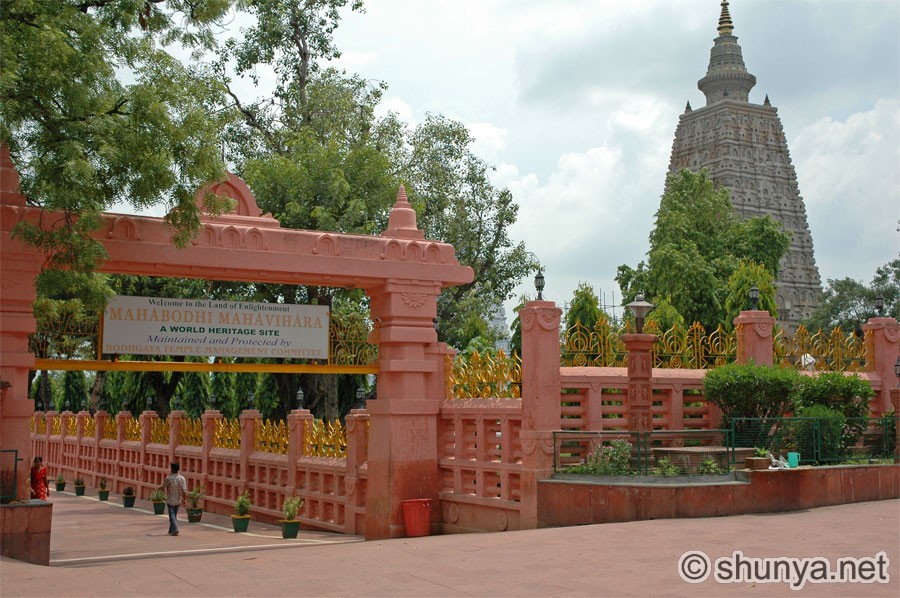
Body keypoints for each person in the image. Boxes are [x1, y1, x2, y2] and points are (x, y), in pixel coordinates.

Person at [160, 462, 187, 536]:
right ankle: (171, 530)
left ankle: (175, 529)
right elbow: (184, 491)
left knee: (172, 515)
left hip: (170, 500)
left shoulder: (169, 478)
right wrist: (184, 500)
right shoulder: (182, 478)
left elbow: (163, 487)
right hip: (178, 500)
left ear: (172, 469)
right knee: (174, 515)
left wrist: (160, 489)